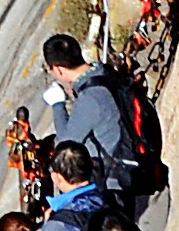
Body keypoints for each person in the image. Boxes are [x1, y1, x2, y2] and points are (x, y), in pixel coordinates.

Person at [34, 31, 132, 174]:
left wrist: (57, 104)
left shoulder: (90, 98)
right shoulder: (105, 71)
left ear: (58, 70)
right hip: (131, 147)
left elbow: (66, 144)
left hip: (120, 173)